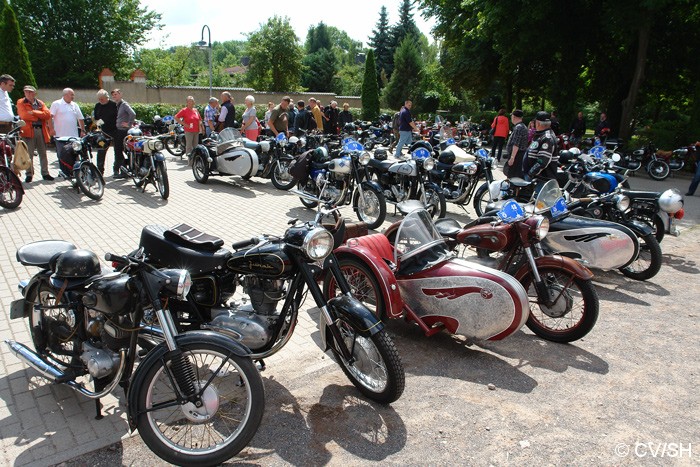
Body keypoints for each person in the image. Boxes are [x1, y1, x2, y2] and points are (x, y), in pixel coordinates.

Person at [16, 85, 53, 182]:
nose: (28, 93)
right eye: (26, 92)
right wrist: (39, 116)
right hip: (29, 130)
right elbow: (24, 115)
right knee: (29, 154)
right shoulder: (21, 102)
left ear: (34, 93)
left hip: (41, 130)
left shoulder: (40, 103)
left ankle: (45, 173)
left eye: (30, 92)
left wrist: (33, 112)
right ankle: (29, 174)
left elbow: (48, 114)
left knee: (43, 153)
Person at [49, 88, 86, 174]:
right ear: (65, 95)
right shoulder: (56, 104)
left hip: (73, 136)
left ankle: (75, 171)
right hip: (60, 136)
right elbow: (49, 117)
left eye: (73, 95)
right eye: (71, 94)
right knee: (62, 155)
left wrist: (83, 130)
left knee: (75, 153)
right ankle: (64, 172)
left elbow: (80, 118)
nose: (73, 96)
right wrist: (51, 129)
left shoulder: (75, 105)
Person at [523, 111, 559, 182]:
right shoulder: (540, 135)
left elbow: (542, 161)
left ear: (538, 123)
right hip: (536, 177)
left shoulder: (547, 138)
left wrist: (530, 174)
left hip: (541, 179)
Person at [110, 88, 135, 178]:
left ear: (121, 95)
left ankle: (123, 171)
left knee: (119, 151)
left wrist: (129, 124)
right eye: (113, 95)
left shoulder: (124, 104)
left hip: (123, 131)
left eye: (116, 94)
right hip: (118, 130)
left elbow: (132, 113)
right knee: (119, 151)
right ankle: (121, 169)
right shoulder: (117, 105)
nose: (114, 96)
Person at [93, 89, 118, 175]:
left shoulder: (114, 105)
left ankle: (116, 170)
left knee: (118, 151)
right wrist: (99, 123)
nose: (100, 101)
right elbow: (96, 119)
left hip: (115, 131)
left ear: (107, 98)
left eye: (102, 99)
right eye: (99, 99)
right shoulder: (97, 106)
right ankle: (99, 171)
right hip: (103, 133)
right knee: (101, 151)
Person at [175, 96, 203, 165]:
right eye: (190, 101)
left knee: (196, 146)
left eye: (192, 101)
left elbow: (199, 119)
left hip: (196, 130)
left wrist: (201, 128)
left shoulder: (195, 110)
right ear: (187, 102)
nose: (191, 102)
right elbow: (176, 117)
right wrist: (184, 124)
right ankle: (190, 161)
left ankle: (196, 160)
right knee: (189, 145)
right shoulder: (184, 110)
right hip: (189, 130)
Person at [503, 109, 528, 179]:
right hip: (519, 154)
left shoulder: (518, 127)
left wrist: (512, 157)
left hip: (517, 155)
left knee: (513, 176)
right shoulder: (523, 126)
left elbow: (516, 144)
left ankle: (512, 189)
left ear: (514, 117)